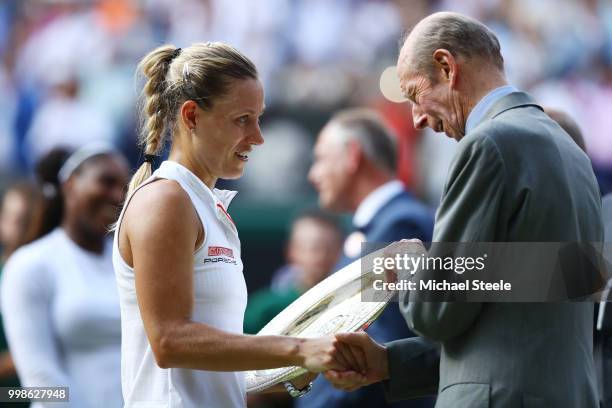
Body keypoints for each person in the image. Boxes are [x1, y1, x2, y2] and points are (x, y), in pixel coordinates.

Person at [324, 12, 603, 408]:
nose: (417, 118)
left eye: (414, 94)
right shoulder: (572, 152)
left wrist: (407, 267)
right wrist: (391, 362)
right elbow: (514, 320)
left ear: (446, 67)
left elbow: (438, 311)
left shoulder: (489, 145)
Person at [113, 42, 353, 408]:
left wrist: (297, 367)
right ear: (191, 116)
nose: (258, 137)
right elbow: (169, 342)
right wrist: (300, 349)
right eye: (243, 119)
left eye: (258, 118)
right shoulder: (166, 200)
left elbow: (213, 369)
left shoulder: (208, 207)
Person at [302, 108, 435, 408]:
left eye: (321, 158)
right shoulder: (385, 224)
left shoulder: (398, 226)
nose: (314, 174)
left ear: (352, 155)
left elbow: (378, 349)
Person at [1, 145, 130, 407]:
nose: (117, 195)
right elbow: (40, 381)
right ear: (70, 185)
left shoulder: (130, 262)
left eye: (124, 187)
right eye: (106, 182)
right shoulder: (29, 265)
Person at [245, 211, 343, 335]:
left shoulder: (352, 302)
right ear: (291, 250)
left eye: (330, 248)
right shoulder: (265, 308)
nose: (321, 256)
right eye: (313, 248)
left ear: (340, 251)